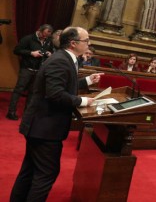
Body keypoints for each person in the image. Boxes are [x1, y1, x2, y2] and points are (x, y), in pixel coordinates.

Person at [10, 26, 103, 201]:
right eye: (86, 41)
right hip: (44, 127)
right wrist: (83, 101)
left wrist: (87, 81)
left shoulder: (66, 58)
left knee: (30, 170)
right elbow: (55, 94)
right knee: (46, 174)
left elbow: (64, 84)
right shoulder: (60, 60)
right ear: (73, 43)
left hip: (41, 126)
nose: (89, 44)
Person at [7, 24, 54, 120]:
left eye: (47, 36)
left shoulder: (48, 41)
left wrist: (50, 54)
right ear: (39, 30)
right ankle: (11, 112)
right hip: (27, 69)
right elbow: (16, 50)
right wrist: (31, 53)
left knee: (32, 92)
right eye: (44, 35)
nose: (45, 37)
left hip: (39, 70)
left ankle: (27, 113)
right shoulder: (28, 38)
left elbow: (50, 51)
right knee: (18, 90)